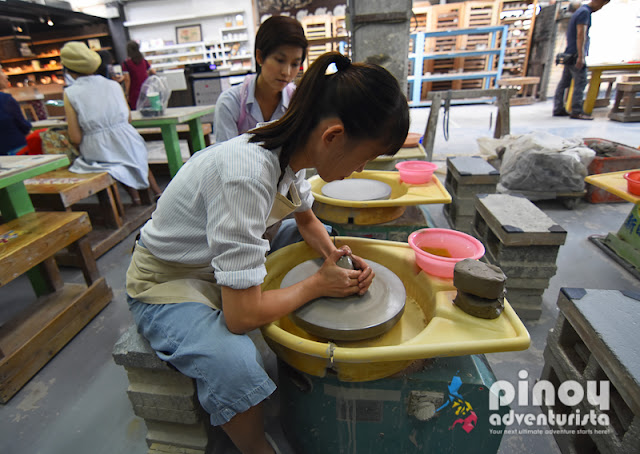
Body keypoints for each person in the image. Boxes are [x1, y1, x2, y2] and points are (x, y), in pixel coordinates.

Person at [126, 51, 409, 454]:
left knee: (311, 234)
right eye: (365, 157)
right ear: (333, 136)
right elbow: (240, 318)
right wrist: (315, 285)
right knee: (236, 362)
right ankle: (254, 444)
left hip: (213, 257)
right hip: (170, 281)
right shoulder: (246, 173)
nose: (362, 169)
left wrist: (334, 257)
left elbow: (308, 221)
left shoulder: (291, 148)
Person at [60, 41, 161, 203]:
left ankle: (134, 198)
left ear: (68, 71)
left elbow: (76, 137)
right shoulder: (114, 85)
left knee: (110, 160)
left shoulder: (70, 93)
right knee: (134, 155)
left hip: (98, 148)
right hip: (128, 138)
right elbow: (128, 118)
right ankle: (156, 192)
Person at [214, 15, 308, 142]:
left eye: (295, 64)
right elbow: (225, 158)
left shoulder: (298, 102)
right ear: (260, 57)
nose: (286, 72)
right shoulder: (230, 104)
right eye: (280, 60)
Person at [553, 0, 610, 120]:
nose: (601, 8)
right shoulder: (584, 12)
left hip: (570, 52)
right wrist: (581, 56)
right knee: (581, 82)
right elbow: (581, 34)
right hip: (575, 54)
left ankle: (558, 108)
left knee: (564, 82)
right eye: (602, 5)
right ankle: (577, 111)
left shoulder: (579, 11)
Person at [0, 67, 32, 155]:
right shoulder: (5, 99)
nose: (6, 76)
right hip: (15, 150)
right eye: (2, 72)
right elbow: (24, 126)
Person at [122, 41, 156, 110]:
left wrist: (126, 94)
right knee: (147, 110)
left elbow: (127, 80)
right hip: (146, 90)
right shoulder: (143, 61)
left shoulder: (126, 63)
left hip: (134, 92)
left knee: (136, 112)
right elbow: (153, 72)